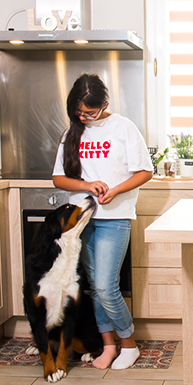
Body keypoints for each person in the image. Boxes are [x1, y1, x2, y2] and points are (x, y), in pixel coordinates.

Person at [52, 73, 153, 369]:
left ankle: (129, 344)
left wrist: (116, 190)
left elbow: (145, 171)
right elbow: (58, 178)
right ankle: (108, 346)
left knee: (107, 287)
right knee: (95, 286)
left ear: (104, 105)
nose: (84, 117)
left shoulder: (123, 128)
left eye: (90, 112)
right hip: (81, 220)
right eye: (78, 112)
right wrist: (86, 185)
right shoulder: (71, 132)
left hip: (115, 218)